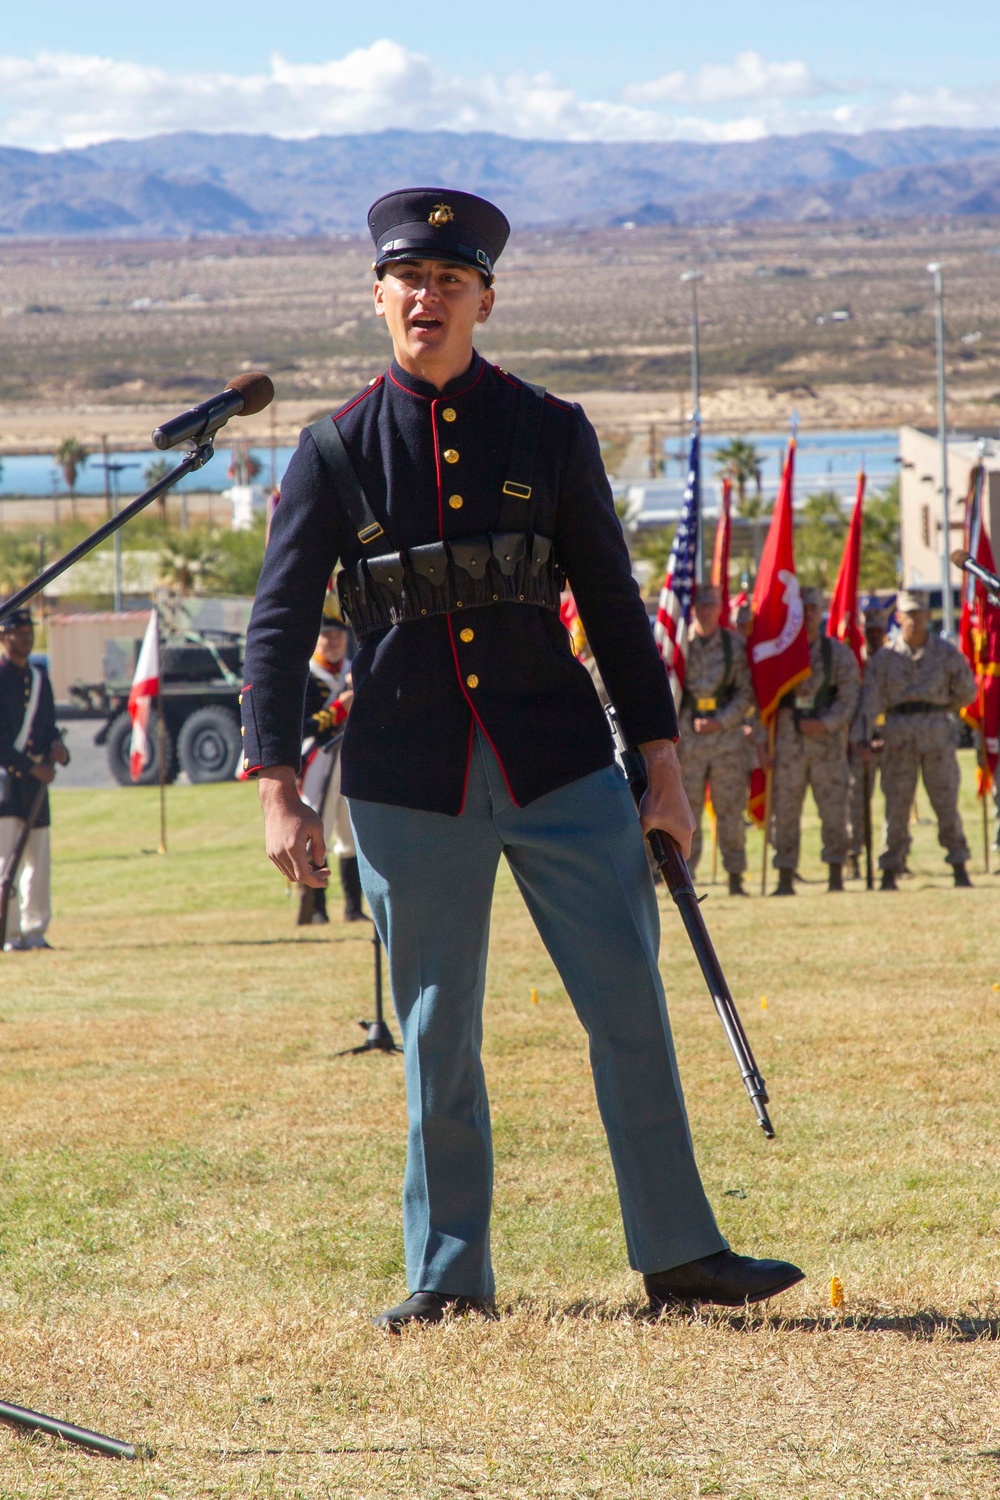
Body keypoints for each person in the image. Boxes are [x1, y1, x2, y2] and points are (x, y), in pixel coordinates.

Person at [241, 186, 803, 1328]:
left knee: (628, 1007)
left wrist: (660, 761)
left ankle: (682, 1254)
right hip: (407, 775)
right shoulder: (332, 450)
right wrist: (278, 783)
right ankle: (450, 1277)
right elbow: (277, 623)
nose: (427, 298)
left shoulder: (550, 430)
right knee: (439, 1031)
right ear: (378, 296)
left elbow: (609, 593)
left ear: (485, 300)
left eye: (451, 282)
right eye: (410, 280)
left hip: (556, 761)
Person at [855, 589, 976, 889]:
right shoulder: (885, 658)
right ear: (898, 617)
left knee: (946, 802)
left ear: (928, 616)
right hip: (898, 736)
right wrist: (863, 736)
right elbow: (870, 701)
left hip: (937, 734)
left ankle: (959, 864)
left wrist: (944, 707)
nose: (914, 620)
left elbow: (968, 691)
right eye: (909, 614)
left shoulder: (946, 652)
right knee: (896, 805)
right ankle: (889, 869)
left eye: (920, 614)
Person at [769, 587, 860, 894]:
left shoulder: (837, 653)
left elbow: (849, 697)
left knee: (834, 810)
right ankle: (784, 876)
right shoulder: (781, 654)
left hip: (827, 746)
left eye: (812, 609)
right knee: (785, 812)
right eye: (802, 610)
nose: (808, 615)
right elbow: (765, 695)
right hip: (789, 745)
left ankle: (835, 873)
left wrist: (825, 723)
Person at [676, 583, 755, 894]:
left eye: (711, 605)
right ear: (693, 608)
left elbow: (746, 692)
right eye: (701, 605)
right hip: (690, 741)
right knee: (687, 811)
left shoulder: (733, 645)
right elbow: (672, 691)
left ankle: (735, 876)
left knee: (730, 810)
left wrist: (721, 721)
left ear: (720, 609)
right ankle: (685, 878)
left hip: (727, 741)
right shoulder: (681, 644)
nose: (705, 611)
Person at [0, 609, 69, 950]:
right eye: (19, 632)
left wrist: (58, 749)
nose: (26, 638)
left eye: (29, 632)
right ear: (4, 637)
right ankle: (9, 932)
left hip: (35, 785)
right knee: (6, 862)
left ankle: (35, 929)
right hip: (7, 784)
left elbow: (48, 726)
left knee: (38, 860)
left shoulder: (40, 677)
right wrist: (29, 767)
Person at [298, 601, 366, 923]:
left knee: (351, 835)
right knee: (317, 833)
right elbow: (304, 726)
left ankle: (354, 908)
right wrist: (340, 708)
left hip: (349, 758)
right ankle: (317, 909)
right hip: (319, 760)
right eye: (328, 636)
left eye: (339, 635)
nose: (335, 641)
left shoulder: (355, 670)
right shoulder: (309, 677)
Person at [845, 601, 889, 880]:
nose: (873, 634)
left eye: (878, 630)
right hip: (859, 741)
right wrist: (858, 741)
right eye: (869, 630)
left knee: (895, 803)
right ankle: (854, 858)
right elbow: (850, 705)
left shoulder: (893, 659)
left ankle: (892, 858)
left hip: (891, 740)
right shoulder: (854, 661)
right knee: (856, 804)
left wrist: (886, 738)